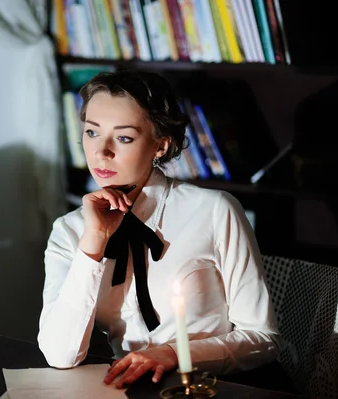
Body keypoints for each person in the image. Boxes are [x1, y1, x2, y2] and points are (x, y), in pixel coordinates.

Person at [37, 70, 282, 389]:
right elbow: (59, 355)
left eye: (123, 137)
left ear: (160, 146)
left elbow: (262, 338)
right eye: (92, 132)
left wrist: (173, 354)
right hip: (130, 389)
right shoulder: (70, 230)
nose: (102, 151)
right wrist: (93, 243)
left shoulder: (214, 210)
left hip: (215, 387)